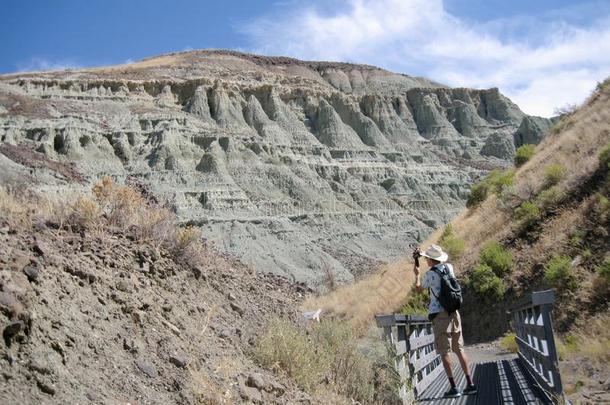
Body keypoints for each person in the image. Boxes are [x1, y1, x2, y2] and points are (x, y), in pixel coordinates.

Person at [413, 244, 477, 398]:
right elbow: (437, 264)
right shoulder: (449, 267)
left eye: (427, 258)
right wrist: (422, 255)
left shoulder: (429, 275)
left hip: (440, 316)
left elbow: (418, 289)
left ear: (429, 260)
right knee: (459, 349)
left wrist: (416, 274)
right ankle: (470, 384)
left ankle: (454, 388)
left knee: (444, 352)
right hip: (454, 313)